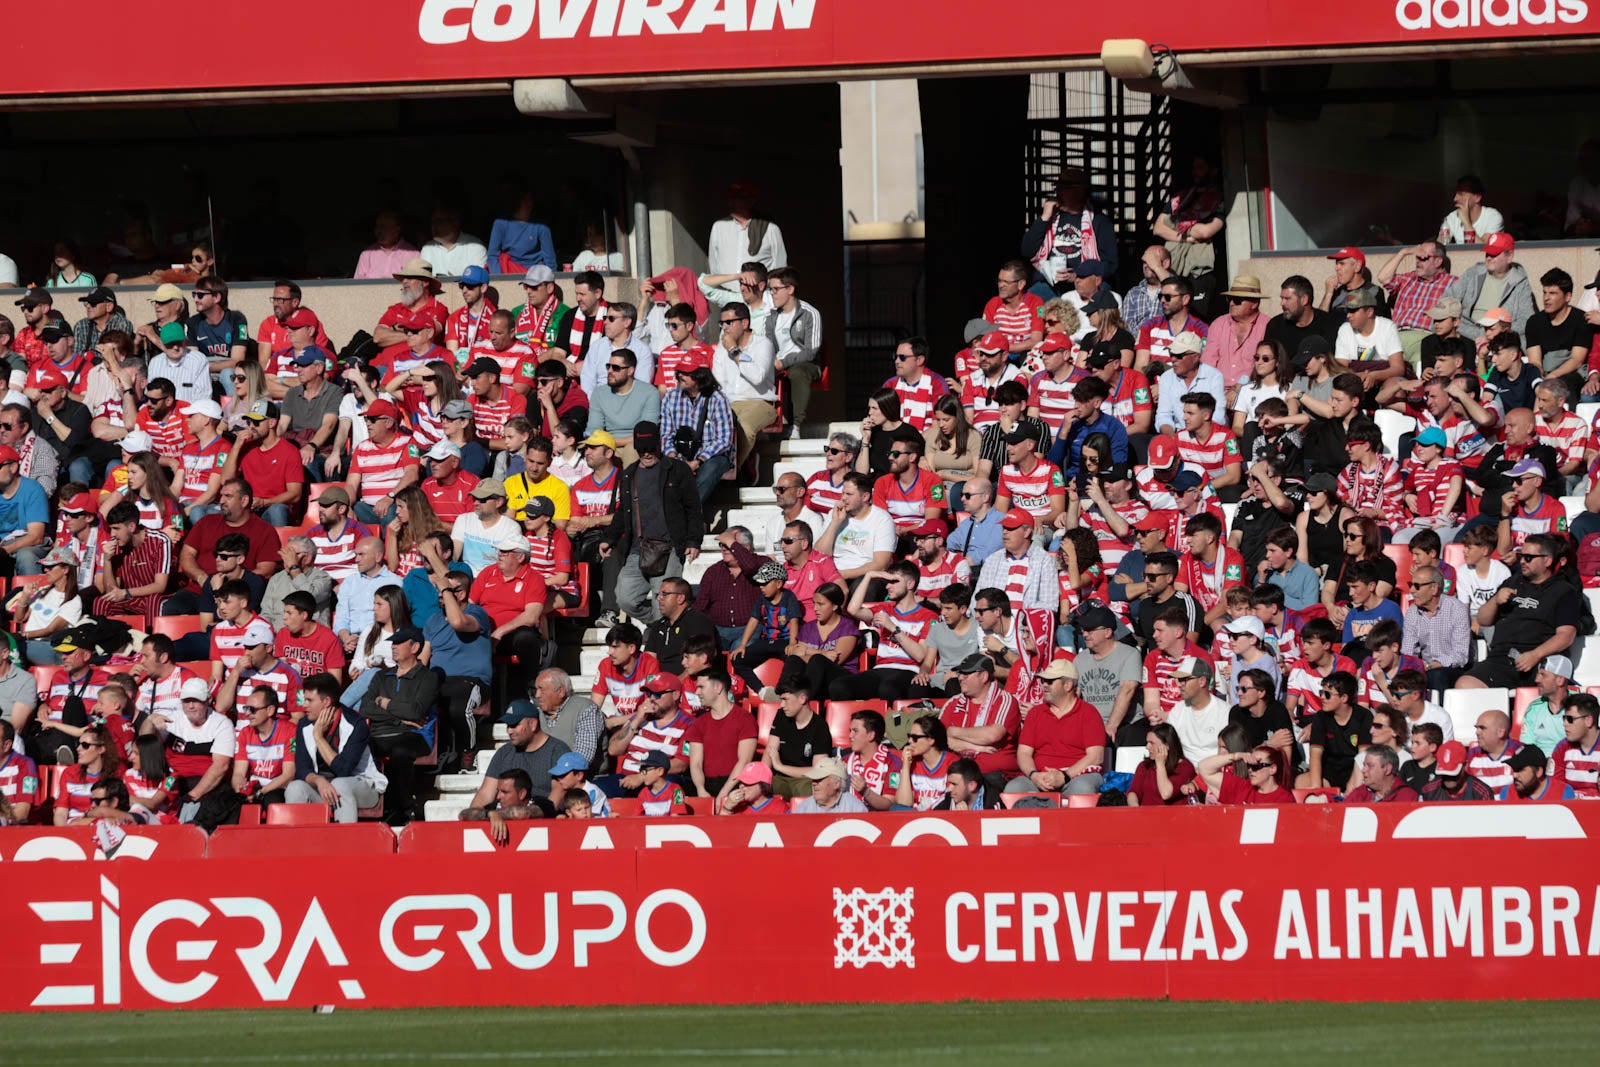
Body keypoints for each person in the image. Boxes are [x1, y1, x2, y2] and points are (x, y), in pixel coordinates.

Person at [1461, 532, 1579, 690]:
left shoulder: (1563, 591)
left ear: (1547, 560)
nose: (1522, 561)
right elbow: (1483, 620)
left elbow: (1566, 635)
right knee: (1465, 685)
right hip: (1501, 659)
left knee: (1551, 685)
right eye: (1521, 556)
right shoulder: (1513, 581)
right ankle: (1498, 714)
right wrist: (1495, 601)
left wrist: (1535, 655)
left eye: (1528, 557)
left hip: (1541, 661)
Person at [837, 561, 938, 702]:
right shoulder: (884, 609)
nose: (887, 586)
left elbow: (920, 655)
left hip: (907, 671)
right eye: (887, 582)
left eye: (893, 582)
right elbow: (853, 610)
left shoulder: (928, 616)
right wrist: (869, 575)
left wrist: (893, 628)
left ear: (910, 584)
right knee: (839, 686)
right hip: (880, 669)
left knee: (888, 688)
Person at [1006, 658, 1105, 796]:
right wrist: (1034, 775)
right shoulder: (1035, 713)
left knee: (1082, 788)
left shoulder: (1089, 713)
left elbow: (1096, 757)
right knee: (1014, 789)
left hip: (1076, 776)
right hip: (1040, 777)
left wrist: (1065, 776)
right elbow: (1023, 753)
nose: (1044, 685)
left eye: (1050, 681)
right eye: (1043, 681)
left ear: (1068, 685)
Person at [597, 673, 694, 797]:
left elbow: (681, 764)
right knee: (594, 789)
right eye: (649, 693)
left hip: (661, 780)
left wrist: (642, 777)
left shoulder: (689, 724)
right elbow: (613, 750)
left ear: (675, 695)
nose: (652, 698)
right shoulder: (641, 717)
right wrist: (637, 720)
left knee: (669, 785)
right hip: (627, 777)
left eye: (658, 694)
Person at [938, 652, 1023, 780]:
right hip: (957, 775)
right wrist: (975, 747)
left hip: (996, 775)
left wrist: (953, 731)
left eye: (966, 674)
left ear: (983, 676)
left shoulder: (1004, 700)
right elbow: (939, 742)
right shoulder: (953, 703)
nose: (960, 678)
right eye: (960, 673)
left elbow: (992, 735)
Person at [732, 561, 804, 697]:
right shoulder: (761, 599)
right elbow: (753, 621)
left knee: (793, 661)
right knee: (737, 659)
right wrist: (742, 645)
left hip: (785, 641)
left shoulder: (789, 597)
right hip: (766, 641)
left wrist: (792, 644)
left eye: (765, 583)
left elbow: (794, 621)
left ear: (778, 584)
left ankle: (781, 691)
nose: (761, 587)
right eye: (760, 584)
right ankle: (762, 691)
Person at [686, 669, 757, 806]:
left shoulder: (745, 719)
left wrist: (723, 795)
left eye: (701, 687)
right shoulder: (699, 723)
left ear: (718, 687)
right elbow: (695, 763)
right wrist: (701, 790)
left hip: (737, 784)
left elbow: (744, 761)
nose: (697, 692)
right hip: (707, 784)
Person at [815, 471, 896, 590]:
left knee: (866, 586)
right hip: (833, 574)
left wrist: (845, 574)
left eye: (849, 494)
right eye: (843, 493)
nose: (843, 498)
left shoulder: (882, 519)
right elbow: (819, 555)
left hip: (864, 576)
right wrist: (835, 523)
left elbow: (880, 564)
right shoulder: (835, 514)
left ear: (865, 497)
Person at [1447, 233, 1535, 341]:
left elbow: (1526, 319)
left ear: (1509, 257)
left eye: (1494, 254)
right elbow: (1448, 300)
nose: (1489, 258)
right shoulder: (1473, 273)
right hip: (1465, 333)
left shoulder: (1520, 282)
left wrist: (1498, 333)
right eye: (1487, 253)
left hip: (1500, 338)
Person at [1401, 566, 1470, 692]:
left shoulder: (1456, 609)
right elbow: (1408, 652)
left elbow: (1460, 656)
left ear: (1433, 588)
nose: (1411, 590)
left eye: (1417, 586)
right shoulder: (1412, 612)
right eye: (1411, 584)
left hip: (1452, 669)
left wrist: (1430, 665)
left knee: (1437, 676)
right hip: (1423, 669)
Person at [762, 679, 833, 798]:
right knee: (756, 788)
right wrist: (761, 778)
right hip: (780, 779)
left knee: (810, 792)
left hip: (805, 780)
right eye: (781, 700)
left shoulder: (820, 727)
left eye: (785, 699)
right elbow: (770, 750)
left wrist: (780, 766)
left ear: (802, 699)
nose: (782, 705)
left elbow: (818, 770)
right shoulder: (781, 715)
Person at [974, 509, 1056, 611]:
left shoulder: (1044, 561)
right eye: (1004, 527)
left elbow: (1049, 605)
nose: (1004, 532)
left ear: (1026, 532)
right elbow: (977, 600)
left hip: (1026, 623)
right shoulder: (992, 560)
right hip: (993, 623)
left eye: (1010, 528)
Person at [1302, 671, 1372, 790]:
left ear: (1344, 697)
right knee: (1301, 782)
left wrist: (1352, 788)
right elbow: (1315, 754)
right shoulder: (1320, 717)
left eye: (1327, 694)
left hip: (1355, 771)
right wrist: (1316, 789)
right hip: (1329, 772)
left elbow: (1363, 756)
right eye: (1321, 693)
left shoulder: (1364, 717)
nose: (1322, 697)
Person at [230, 688, 296, 807]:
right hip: (254, 788)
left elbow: (288, 775)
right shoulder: (245, 733)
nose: (247, 714)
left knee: (272, 800)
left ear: (270, 710)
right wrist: (241, 790)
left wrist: (260, 792)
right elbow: (238, 774)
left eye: (252, 709)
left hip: (278, 788)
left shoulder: (290, 732)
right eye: (246, 708)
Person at [1198, 745, 1295, 805]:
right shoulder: (1242, 787)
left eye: (1256, 765)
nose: (1250, 770)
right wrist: (1237, 756)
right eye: (1249, 764)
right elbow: (1204, 767)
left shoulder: (1285, 799)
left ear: (1272, 769)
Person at [1520, 654, 1575, 755]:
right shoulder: (1534, 708)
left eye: (1543, 675)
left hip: (1571, 763)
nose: (1537, 680)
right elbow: (1527, 746)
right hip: (1541, 764)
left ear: (1560, 680)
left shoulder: (1580, 705)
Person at [1551, 692, 1600, 798]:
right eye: (1563, 718)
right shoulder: (1562, 748)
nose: (1565, 723)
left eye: (1570, 719)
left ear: (1589, 721)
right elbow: (1555, 788)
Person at [1420, 739, 1496, 802]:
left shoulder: (1482, 793)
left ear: (1465, 766)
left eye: (1452, 773)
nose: (1448, 778)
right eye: (1444, 773)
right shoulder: (1428, 792)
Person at [1343, 745, 1420, 803]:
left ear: (1387, 769)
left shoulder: (1407, 797)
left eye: (1370, 766)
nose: (1363, 770)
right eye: (1364, 765)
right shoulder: (1359, 794)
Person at [1499, 744, 1575, 802]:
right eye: (1514, 769)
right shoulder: (1507, 793)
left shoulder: (1563, 792)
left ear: (1539, 772)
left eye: (1520, 769)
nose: (1515, 775)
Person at [547, 750, 612, 818]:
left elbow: (587, 817)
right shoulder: (567, 792)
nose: (559, 779)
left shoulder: (592, 792)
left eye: (563, 775)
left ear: (579, 775)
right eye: (557, 775)